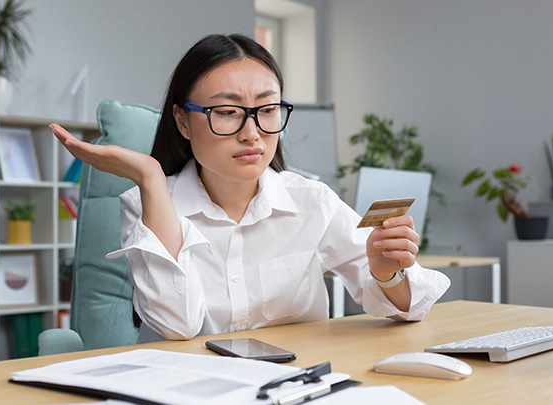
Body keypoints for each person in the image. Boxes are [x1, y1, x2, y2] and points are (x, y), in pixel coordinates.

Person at [50, 33, 450, 342]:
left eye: (267, 110)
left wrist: (387, 275)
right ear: (182, 121)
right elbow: (177, 327)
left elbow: (409, 307)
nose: (252, 133)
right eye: (226, 112)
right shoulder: (147, 203)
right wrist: (152, 178)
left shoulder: (312, 202)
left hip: (293, 389)